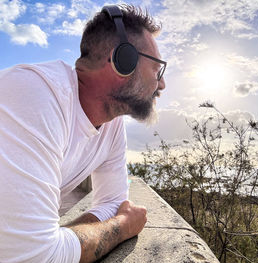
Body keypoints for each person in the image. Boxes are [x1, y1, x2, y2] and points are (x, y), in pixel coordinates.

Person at [0, 4, 166, 263]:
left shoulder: (111, 126)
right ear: (123, 61)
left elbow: (113, 204)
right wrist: (123, 226)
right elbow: (31, 257)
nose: (162, 84)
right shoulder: (34, 94)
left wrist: (61, 243)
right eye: (157, 70)